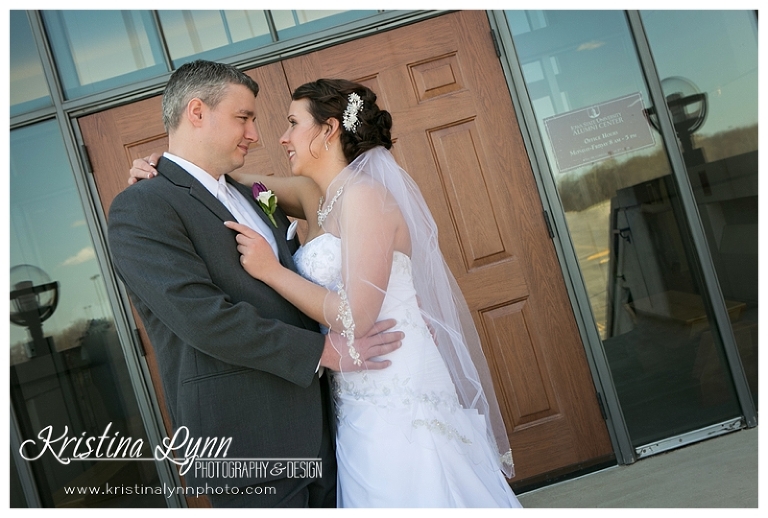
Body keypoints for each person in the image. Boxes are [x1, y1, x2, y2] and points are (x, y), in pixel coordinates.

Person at [131, 77, 521, 508]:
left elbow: (355, 316)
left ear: (329, 129)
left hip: (391, 375)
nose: (278, 137)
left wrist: (271, 271)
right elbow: (220, 183)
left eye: (293, 123)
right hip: (344, 397)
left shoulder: (366, 198)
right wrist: (161, 165)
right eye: (247, 118)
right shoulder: (308, 197)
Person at [108, 61, 403, 508]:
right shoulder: (142, 207)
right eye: (243, 118)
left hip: (326, 429)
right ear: (196, 112)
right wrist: (322, 352)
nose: (255, 133)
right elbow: (203, 317)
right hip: (246, 439)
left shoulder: (256, 194)